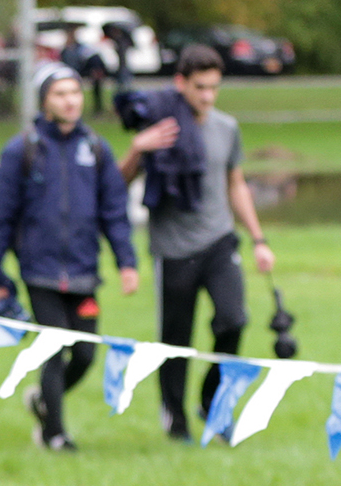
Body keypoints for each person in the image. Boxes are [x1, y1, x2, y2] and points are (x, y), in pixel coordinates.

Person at [118, 44, 275, 441]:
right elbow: (117, 184)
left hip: (220, 241)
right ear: (180, 83)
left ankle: (211, 402)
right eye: (200, 87)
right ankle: (176, 418)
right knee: (176, 340)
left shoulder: (227, 127)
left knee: (233, 320)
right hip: (173, 249)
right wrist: (139, 148)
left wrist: (259, 239)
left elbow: (235, 184)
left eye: (214, 88)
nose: (207, 96)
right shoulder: (161, 126)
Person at [0, 62, 139, 451]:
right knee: (52, 350)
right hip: (41, 271)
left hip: (84, 272)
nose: (70, 101)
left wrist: (126, 261)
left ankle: (43, 402)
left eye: (75, 92)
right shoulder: (23, 150)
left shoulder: (96, 149)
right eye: (60, 94)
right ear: (45, 101)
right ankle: (55, 435)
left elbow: (114, 212)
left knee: (84, 353)